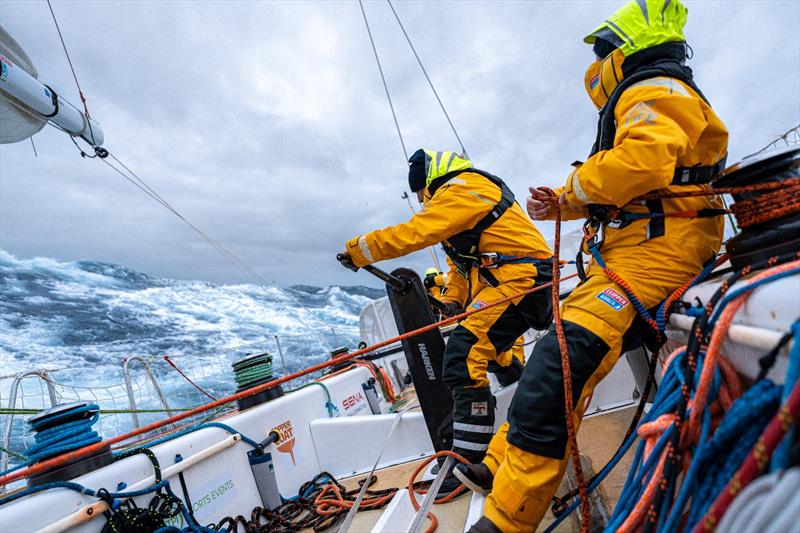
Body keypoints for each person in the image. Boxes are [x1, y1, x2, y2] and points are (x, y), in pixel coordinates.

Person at [464, 1, 729, 530]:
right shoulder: (648, 92)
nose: (596, 67)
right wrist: (565, 205)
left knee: (559, 364)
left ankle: (507, 518)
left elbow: (643, 163)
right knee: (552, 352)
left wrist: (569, 192)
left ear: (621, 54)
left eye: (602, 53)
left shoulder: (653, 88)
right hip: (630, 258)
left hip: (658, 256)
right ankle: (498, 464)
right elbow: (638, 177)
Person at [339, 149, 553, 481]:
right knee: (489, 349)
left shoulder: (465, 188)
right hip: (515, 281)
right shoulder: (461, 203)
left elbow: (416, 232)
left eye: (421, 193)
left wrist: (359, 250)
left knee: (463, 354)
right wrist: (452, 301)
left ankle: (466, 459)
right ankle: (522, 393)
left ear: (430, 182)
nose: (423, 201)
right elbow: (460, 268)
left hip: (524, 279)